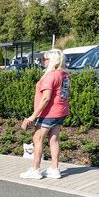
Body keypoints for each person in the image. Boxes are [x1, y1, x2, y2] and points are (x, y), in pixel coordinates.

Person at [20, 49, 70, 180]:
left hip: (48, 113)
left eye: (46, 59)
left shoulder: (50, 76)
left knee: (37, 139)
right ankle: (54, 169)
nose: (43, 61)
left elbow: (46, 98)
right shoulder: (65, 74)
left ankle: (35, 170)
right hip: (61, 111)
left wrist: (33, 116)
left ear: (52, 60)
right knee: (54, 139)